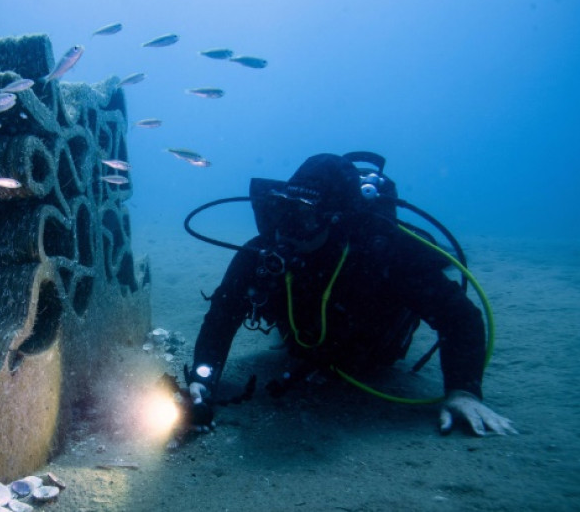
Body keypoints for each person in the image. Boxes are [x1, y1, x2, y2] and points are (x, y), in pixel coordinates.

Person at [187, 153, 516, 436]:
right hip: (304, 341)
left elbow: (460, 317)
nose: (285, 230)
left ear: (337, 220)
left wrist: (463, 391)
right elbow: (222, 316)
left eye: (302, 216)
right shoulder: (262, 253)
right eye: (280, 210)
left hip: (372, 351)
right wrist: (205, 379)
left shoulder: (386, 253)